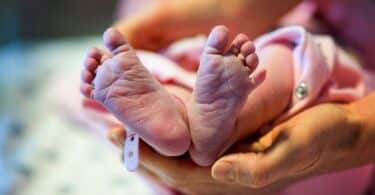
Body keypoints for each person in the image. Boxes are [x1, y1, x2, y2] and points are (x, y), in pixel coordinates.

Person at [81, 0, 375, 194]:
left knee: (287, 55)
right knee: (283, 60)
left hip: (341, 135)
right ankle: (190, 119)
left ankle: (187, 119)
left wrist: (358, 130)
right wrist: (234, 11)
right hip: (307, 162)